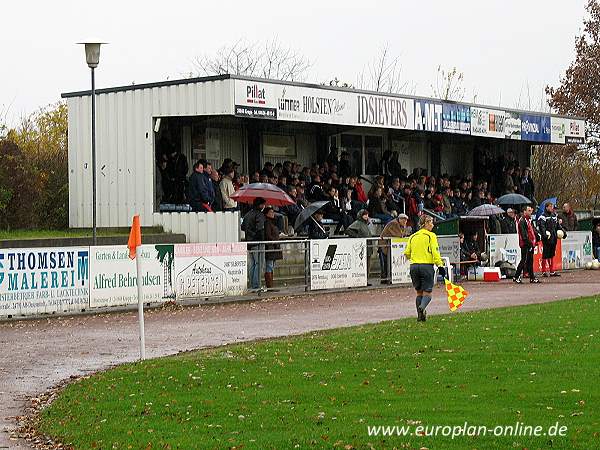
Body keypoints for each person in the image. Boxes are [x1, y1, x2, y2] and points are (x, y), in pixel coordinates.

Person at [404, 215, 446, 322]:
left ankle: (420, 316)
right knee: (428, 293)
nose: (432, 225)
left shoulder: (412, 236)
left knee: (419, 292)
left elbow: (407, 253)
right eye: (431, 222)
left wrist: (415, 256)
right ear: (426, 223)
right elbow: (435, 252)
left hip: (414, 266)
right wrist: (440, 265)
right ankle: (422, 308)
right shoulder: (431, 236)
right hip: (426, 266)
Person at [378, 213, 412, 283]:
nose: (405, 222)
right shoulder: (393, 224)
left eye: (406, 221)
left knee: (389, 263)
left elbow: (403, 234)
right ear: (400, 219)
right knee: (385, 263)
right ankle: (385, 279)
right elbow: (398, 235)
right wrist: (406, 233)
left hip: (391, 247)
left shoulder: (401, 225)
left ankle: (388, 279)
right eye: (404, 220)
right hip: (384, 246)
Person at [241, 197, 266, 290]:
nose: (264, 206)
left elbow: (243, 227)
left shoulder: (247, 214)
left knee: (252, 264)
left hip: (249, 242)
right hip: (257, 242)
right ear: (260, 205)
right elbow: (260, 228)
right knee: (259, 264)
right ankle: (256, 286)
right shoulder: (259, 215)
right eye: (263, 204)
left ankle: (252, 285)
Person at [537, 202, 566, 277]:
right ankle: (543, 271)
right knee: (545, 254)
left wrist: (563, 232)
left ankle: (552, 271)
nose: (551, 208)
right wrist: (544, 235)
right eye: (550, 206)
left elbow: (558, 226)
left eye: (552, 206)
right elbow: (542, 227)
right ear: (546, 207)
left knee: (552, 254)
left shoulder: (554, 216)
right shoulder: (542, 217)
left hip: (553, 237)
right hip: (546, 238)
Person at [513, 205, 540, 284]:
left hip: (530, 243)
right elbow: (524, 235)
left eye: (530, 210)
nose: (530, 212)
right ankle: (516, 276)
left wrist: (537, 236)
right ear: (524, 211)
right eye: (528, 210)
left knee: (530, 261)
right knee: (524, 260)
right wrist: (529, 244)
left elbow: (532, 231)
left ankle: (532, 277)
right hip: (525, 244)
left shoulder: (529, 220)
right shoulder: (522, 221)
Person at [263, 207, 283, 289]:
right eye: (271, 212)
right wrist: (275, 240)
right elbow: (268, 235)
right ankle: (269, 286)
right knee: (269, 266)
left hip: (274, 247)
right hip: (270, 247)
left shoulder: (272, 222)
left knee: (271, 266)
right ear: (266, 214)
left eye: (273, 212)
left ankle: (271, 285)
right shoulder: (267, 223)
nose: (273, 213)